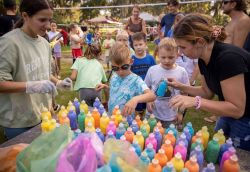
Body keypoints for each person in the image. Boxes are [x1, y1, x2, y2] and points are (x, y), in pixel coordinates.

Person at [168, 13, 250, 151]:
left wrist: (195, 102)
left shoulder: (228, 59)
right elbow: (207, 92)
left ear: (200, 42)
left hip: (246, 119)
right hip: (227, 113)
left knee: (235, 158)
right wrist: (180, 86)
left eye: (183, 47)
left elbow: (237, 109)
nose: (180, 53)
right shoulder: (203, 58)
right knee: (218, 150)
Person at [0, 0, 72, 139]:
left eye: (49, 20)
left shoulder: (44, 43)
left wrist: (58, 82)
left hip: (43, 114)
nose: (47, 25)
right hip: (19, 121)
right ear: (25, 16)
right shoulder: (9, 43)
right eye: (42, 20)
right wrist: (30, 86)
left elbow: (45, 73)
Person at [205, 0, 250, 123]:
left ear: (234, 4)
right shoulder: (232, 22)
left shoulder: (243, 20)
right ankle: (221, 114)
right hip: (224, 64)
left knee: (235, 104)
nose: (222, 5)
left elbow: (236, 50)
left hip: (234, 67)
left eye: (225, 2)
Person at [96, 42, 156, 116]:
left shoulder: (136, 80)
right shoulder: (114, 76)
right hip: (112, 119)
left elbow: (152, 96)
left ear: (131, 61)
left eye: (124, 67)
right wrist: (106, 88)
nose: (120, 72)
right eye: (115, 68)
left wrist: (135, 99)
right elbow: (115, 91)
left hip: (126, 123)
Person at [145, 38, 189, 129]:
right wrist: (148, 100)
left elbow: (185, 94)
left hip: (171, 116)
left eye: (171, 57)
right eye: (163, 57)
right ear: (158, 55)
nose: (167, 61)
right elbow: (146, 87)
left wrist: (180, 113)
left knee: (168, 139)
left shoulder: (182, 72)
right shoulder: (152, 70)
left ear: (177, 55)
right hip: (153, 114)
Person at [131, 32, 156, 117]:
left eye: (140, 44)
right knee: (138, 114)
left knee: (149, 113)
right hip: (136, 92)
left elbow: (155, 75)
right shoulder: (131, 59)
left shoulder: (150, 58)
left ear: (145, 44)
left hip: (148, 91)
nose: (138, 47)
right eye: (136, 45)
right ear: (133, 46)